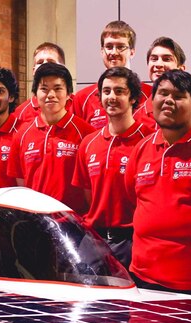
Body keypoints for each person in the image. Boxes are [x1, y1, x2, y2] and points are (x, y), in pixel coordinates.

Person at [124, 70, 191, 296]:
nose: (168, 101)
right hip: (143, 278)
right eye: (162, 93)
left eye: (178, 95)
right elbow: (133, 198)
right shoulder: (142, 148)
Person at [73, 67, 150, 267]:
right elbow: (88, 196)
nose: (111, 97)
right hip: (94, 240)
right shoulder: (88, 143)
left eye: (119, 91)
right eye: (106, 91)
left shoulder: (149, 140)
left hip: (134, 241)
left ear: (133, 97)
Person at [8, 63, 95, 214]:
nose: (51, 95)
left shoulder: (86, 134)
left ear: (68, 94)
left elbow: (91, 185)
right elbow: (21, 185)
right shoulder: (21, 135)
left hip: (75, 222)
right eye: (44, 89)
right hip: (35, 221)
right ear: (35, 95)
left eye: (57, 88)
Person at [73, 20, 137, 131]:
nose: (114, 52)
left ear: (132, 52)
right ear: (102, 51)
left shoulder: (148, 96)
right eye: (109, 47)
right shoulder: (82, 99)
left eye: (120, 47)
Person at [133, 36, 186, 131]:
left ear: (181, 69)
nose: (158, 64)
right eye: (154, 59)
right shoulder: (135, 117)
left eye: (166, 59)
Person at [13, 42, 68, 124]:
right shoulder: (21, 113)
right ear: (33, 71)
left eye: (50, 61)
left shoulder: (78, 105)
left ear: (63, 68)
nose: (45, 65)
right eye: (40, 62)